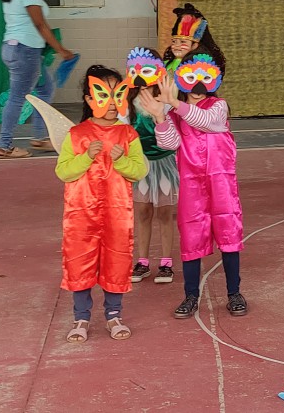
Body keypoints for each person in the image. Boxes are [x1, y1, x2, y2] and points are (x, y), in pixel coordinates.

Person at [147, 53, 248, 319]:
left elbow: (207, 122)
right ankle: (191, 295)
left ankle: (234, 292)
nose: (197, 86)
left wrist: (173, 104)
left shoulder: (219, 106)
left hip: (222, 184)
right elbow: (169, 143)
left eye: (204, 78)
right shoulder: (177, 113)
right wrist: (160, 117)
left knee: (228, 235)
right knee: (191, 238)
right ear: (181, 79)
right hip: (192, 185)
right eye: (190, 78)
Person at [55, 65, 148, 342]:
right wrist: (85, 157)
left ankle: (113, 314)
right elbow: (63, 172)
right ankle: (81, 317)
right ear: (89, 100)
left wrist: (121, 160)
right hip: (81, 213)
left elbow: (139, 171)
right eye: (102, 95)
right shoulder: (76, 134)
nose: (111, 104)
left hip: (116, 212)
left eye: (116, 95)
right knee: (80, 262)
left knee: (116, 259)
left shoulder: (128, 135)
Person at [0, 0, 75, 159]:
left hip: (13, 48)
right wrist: (61, 50)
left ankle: (39, 138)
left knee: (46, 89)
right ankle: (4, 145)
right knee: (17, 97)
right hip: (25, 51)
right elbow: (40, 24)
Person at [127, 48, 179, 285]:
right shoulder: (127, 102)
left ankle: (166, 261)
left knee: (165, 213)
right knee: (143, 212)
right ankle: (143, 261)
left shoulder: (166, 100)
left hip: (164, 163)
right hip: (141, 165)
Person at [163, 4, 227, 73]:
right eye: (174, 41)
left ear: (194, 45)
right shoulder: (165, 64)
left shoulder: (202, 67)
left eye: (183, 42)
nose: (176, 45)